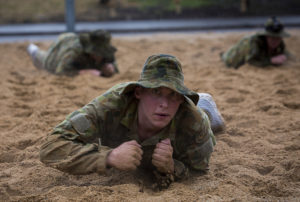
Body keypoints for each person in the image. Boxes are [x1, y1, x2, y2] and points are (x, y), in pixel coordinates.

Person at [39, 54, 225, 190]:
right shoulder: (113, 105)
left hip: (201, 117)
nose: (164, 104)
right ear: (138, 93)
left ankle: (205, 102)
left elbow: (199, 171)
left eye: (173, 95)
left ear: (181, 99)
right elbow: (52, 146)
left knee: (212, 123)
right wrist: (108, 157)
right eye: (156, 92)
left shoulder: (193, 120)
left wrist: (171, 167)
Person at [27, 29, 118, 77]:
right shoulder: (74, 51)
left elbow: (113, 66)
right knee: (47, 61)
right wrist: (84, 72)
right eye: (99, 52)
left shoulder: (105, 49)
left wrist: (111, 68)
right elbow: (60, 71)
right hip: (64, 43)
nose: (102, 55)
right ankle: (33, 50)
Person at [221, 16, 290, 69]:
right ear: (266, 36)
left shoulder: (280, 44)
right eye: (272, 38)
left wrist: (285, 57)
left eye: (278, 38)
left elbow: (285, 53)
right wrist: (270, 61)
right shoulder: (254, 43)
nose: (275, 41)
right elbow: (250, 61)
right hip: (231, 58)